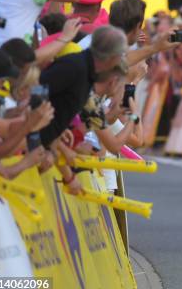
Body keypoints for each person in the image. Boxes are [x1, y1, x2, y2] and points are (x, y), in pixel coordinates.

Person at [39, 26, 128, 194]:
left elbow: (58, 108)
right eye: (119, 58)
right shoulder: (74, 66)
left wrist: (57, 137)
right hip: (34, 148)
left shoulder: (87, 74)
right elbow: (35, 95)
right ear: (111, 58)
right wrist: (41, 143)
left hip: (45, 150)